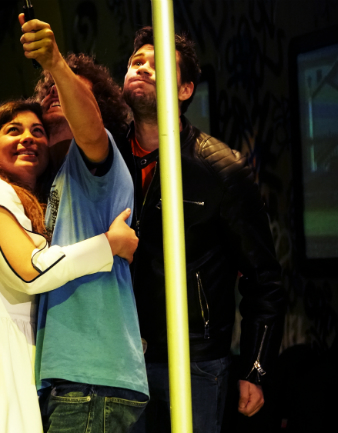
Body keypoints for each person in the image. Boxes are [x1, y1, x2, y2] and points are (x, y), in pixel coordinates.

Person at [0, 16, 149, 433]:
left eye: (66, 88)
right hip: (53, 376)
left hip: (90, 376)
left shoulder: (95, 160)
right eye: (48, 88)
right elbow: (25, 273)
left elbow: (90, 130)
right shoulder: (27, 192)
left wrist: (55, 63)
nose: (54, 90)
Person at [121, 28, 285, 433]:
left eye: (158, 64)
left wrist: (255, 367)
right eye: (136, 62)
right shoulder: (105, 158)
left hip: (195, 361)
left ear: (185, 89)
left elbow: (264, 277)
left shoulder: (222, 168)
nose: (143, 68)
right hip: (117, 357)